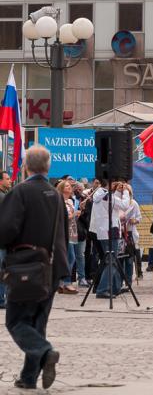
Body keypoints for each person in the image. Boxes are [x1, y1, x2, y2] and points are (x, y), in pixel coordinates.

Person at [0, 145, 69, 389]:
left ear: (25, 166)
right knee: (38, 322)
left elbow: (6, 230)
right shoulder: (56, 195)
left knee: (17, 321)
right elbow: (64, 234)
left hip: (26, 267)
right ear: (48, 166)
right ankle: (29, 377)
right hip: (52, 267)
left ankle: (44, 350)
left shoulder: (20, 192)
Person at [89, 180, 130, 298]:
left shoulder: (101, 194)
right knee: (111, 261)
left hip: (103, 230)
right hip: (110, 230)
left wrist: (117, 192)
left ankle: (115, 287)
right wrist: (126, 192)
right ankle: (102, 289)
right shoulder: (107, 195)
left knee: (112, 260)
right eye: (115, 182)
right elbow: (124, 205)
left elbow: (112, 205)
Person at [56, 180, 80, 295]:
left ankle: (61, 282)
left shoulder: (71, 201)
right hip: (64, 233)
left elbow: (72, 217)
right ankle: (66, 282)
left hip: (72, 232)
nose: (69, 187)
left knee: (69, 258)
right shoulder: (59, 201)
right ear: (61, 188)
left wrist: (77, 214)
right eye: (66, 186)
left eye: (70, 186)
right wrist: (74, 214)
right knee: (71, 257)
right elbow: (64, 217)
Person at [0, 170, 11, 309]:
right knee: (3, 269)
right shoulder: (3, 197)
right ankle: (2, 300)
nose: (10, 181)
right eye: (7, 179)